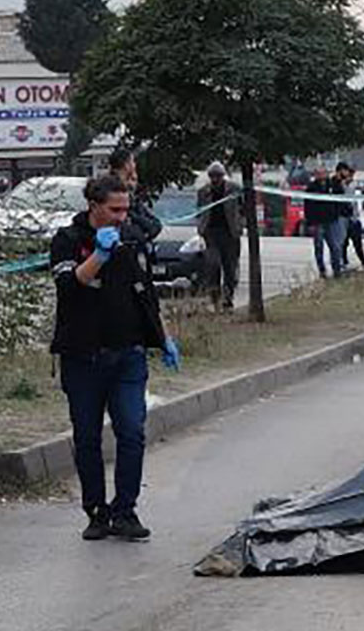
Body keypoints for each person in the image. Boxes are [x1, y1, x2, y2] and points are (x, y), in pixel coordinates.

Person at [49, 174, 181, 541]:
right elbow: (67, 287)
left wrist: (164, 337)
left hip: (128, 355)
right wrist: (98, 256)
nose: (122, 217)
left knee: (132, 431)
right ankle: (96, 512)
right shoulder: (68, 240)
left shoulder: (132, 240)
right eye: (115, 209)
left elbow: (146, 294)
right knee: (88, 437)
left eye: (126, 209)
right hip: (83, 357)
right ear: (94, 207)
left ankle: (126, 510)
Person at [196, 162, 243, 310]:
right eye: (212, 176)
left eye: (218, 176)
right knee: (213, 265)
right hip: (211, 233)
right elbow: (199, 210)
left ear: (223, 176)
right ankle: (215, 299)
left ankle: (228, 299)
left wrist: (240, 225)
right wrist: (201, 228)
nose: (215, 179)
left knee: (230, 268)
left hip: (230, 233)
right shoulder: (203, 192)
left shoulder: (234, 189)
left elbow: (243, 208)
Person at [108, 148, 162, 242]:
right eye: (132, 161)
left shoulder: (133, 196)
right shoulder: (111, 188)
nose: (135, 165)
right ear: (126, 165)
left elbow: (155, 225)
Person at [305, 166, 346, 278]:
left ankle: (337, 269)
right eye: (319, 173)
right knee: (319, 247)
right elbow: (308, 206)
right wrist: (310, 223)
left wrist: (338, 213)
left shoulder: (333, 185)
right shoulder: (311, 187)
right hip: (317, 221)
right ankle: (322, 270)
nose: (322, 175)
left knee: (335, 246)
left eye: (324, 173)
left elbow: (341, 197)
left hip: (331, 220)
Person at [332, 163, 364, 270]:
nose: (349, 176)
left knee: (356, 241)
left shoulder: (353, 185)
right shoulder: (336, 183)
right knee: (342, 241)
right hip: (341, 215)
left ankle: (363, 261)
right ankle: (341, 262)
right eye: (348, 173)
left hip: (352, 216)